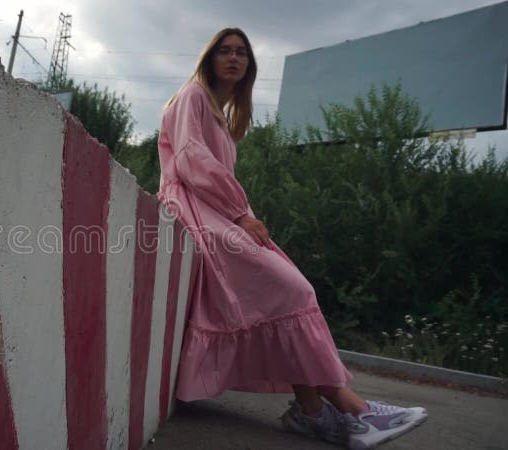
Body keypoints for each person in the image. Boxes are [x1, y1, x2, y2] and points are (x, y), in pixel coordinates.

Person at [156, 27, 428, 449]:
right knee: (291, 288)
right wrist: (241, 212)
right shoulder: (193, 95)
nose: (233, 58)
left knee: (288, 295)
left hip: (211, 208)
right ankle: (353, 408)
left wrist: (237, 212)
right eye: (224, 51)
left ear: (249, 65)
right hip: (194, 208)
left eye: (241, 53)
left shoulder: (222, 116)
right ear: (209, 59)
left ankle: (315, 412)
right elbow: (192, 161)